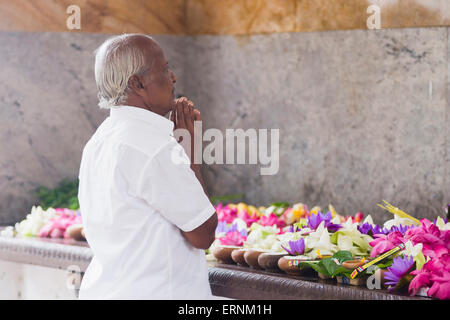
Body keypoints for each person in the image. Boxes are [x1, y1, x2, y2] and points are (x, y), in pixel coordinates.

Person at [77, 34, 218, 299]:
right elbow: (203, 233)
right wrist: (189, 155)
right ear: (137, 83)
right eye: (164, 69)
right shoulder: (152, 146)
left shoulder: (99, 139)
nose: (173, 77)